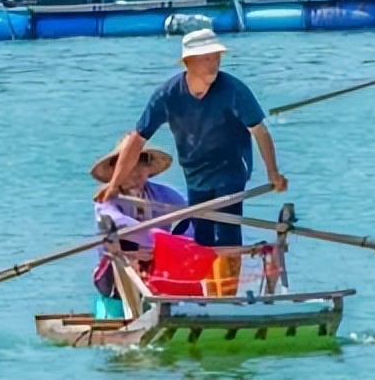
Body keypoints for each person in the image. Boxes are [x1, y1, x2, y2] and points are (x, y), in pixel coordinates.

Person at [94, 29, 287, 250]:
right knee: (202, 238)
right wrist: (114, 184)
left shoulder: (234, 90)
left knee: (227, 233)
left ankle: (228, 270)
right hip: (194, 173)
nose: (213, 64)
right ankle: (205, 269)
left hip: (231, 168)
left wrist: (273, 172)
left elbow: (259, 131)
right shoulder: (167, 95)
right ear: (188, 62)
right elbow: (137, 139)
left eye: (216, 57)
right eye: (206, 58)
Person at [90, 139, 187, 303]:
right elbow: (119, 223)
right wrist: (159, 242)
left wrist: (181, 244)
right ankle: (134, 308)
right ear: (116, 169)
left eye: (142, 163)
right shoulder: (106, 200)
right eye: (129, 164)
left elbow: (191, 215)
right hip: (116, 268)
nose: (136, 171)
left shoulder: (163, 194)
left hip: (159, 261)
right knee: (125, 250)